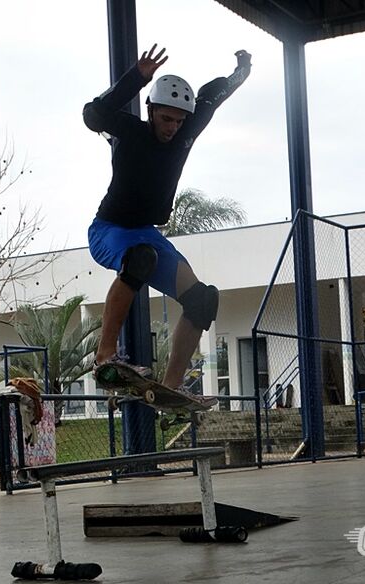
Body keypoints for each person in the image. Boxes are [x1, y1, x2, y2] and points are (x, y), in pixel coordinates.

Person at [84, 44, 252, 399]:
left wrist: (241, 71)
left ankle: (170, 391)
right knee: (141, 257)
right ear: (151, 111)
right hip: (109, 231)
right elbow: (93, 114)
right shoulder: (129, 130)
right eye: (165, 119)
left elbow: (213, 95)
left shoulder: (188, 128)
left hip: (146, 233)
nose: (172, 128)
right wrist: (135, 78)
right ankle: (105, 356)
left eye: (179, 120)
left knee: (203, 300)